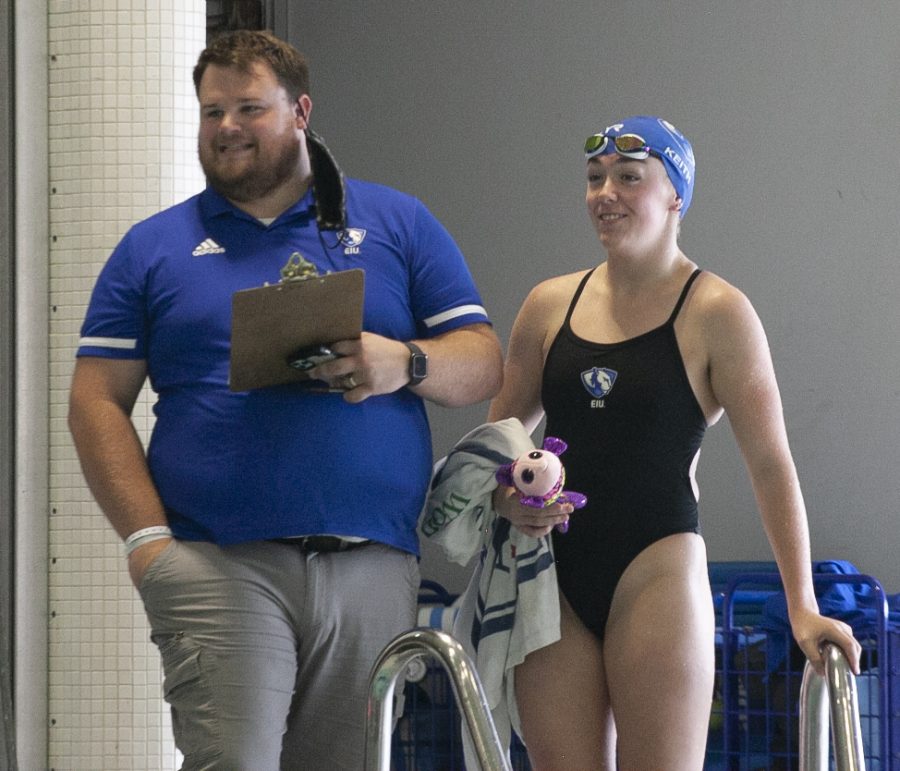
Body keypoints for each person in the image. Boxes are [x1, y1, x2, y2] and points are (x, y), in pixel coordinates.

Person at [67, 30, 502, 770]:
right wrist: (149, 546)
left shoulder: (397, 222)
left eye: (248, 107)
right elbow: (94, 401)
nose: (225, 127)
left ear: (301, 111)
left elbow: (482, 362)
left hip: (372, 562)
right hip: (219, 562)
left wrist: (404, 360)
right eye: (210, 112)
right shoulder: (153, 247)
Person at [486, 115, 861, 769]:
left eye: (629, 177)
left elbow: (771, 465)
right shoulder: (549, 305)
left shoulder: (717, 312)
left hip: (655, 573)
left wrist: (802, 605)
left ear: (674, 196)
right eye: (595, 177)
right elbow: (499, 443)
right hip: (552, 577)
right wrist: (504, 500)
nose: (605, 192)